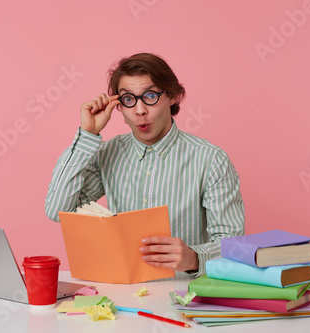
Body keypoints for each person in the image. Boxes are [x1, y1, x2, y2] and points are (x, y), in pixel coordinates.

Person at [45, 53, 245, 275]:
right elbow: (58, 211)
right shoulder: (107, 153)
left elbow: (232, 245)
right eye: (128, 99)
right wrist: (87, 135)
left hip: (184, 296)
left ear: (172, 96)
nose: (140, 110)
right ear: (118, 105)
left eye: (150, 95)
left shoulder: (211, 160)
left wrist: (195, 258)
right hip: (122, 291)